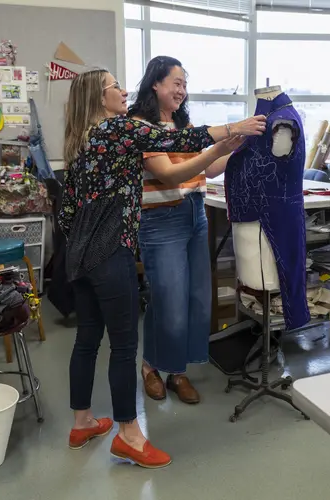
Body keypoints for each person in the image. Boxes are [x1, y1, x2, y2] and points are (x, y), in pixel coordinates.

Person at [59, 69, 264, 468]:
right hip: (109, 251)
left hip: (80, 253)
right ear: (100, 98)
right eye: (114, 86)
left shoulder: (79, 139)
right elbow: (175, 140)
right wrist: (231, 128)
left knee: (87, 340)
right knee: (123, 346)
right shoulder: (117, 130)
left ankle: (82, 422)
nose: (122, 90)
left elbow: (68, 210)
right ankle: (130, 437)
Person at [127, 56, 228, 404]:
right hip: (161, 220)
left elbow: (210, 168)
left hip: (195, 214)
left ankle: (176, 370)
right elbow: (169, 174)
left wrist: (239, 147)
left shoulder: (183, 126)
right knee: (168, 301)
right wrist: (223, 141)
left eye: (185, 84)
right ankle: (151, 367)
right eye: (176, 82)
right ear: (156, 83)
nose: (182, 90)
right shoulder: (142, 126)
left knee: (195, 299)